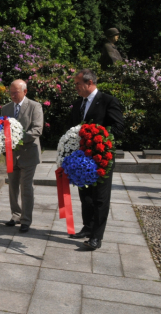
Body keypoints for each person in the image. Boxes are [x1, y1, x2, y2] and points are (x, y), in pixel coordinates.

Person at [69, 69, 124, 250]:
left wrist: (97, 135)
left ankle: (96, 237)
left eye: (78, 83)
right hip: (81, 159)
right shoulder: (78, 104)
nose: (75, 87)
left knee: (100, 198)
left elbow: (118, 128)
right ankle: (87, 227)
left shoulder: (108, 101)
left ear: (89, 83)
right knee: (85, 196)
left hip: (101, 158)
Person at [2, 80, 43, 233]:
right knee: (12, 186)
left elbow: (37, 130)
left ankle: (26, 220)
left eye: (16, 92)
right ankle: (16, 215)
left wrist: (17, 138)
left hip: (29, 154)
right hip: (11, 155)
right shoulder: (5, 108)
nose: (12, 95)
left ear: (25, 92)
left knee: (26, 187)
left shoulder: (35, 106)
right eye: (11, 92)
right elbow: (1, 129)